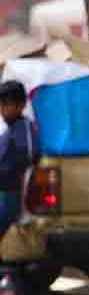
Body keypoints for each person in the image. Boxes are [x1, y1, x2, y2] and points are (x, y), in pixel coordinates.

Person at [0, 81, 40, 237]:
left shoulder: (23, 128)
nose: (2, 109)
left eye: (6, 104)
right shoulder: (11, 129)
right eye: (0, 104)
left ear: (21, 105)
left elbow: (29, 156)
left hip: (13, 195)